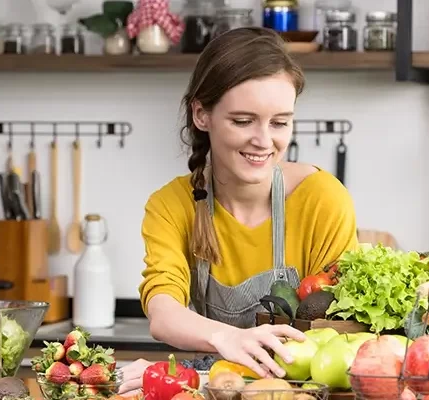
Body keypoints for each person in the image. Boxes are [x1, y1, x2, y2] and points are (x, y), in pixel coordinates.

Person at [117, 27, 359, 394]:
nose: (264, 141)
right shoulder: (171, 205)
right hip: (216, 386)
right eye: (243, 121)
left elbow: (341, 330)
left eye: (279, 122)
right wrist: (228, 340)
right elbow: (163, 312)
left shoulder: (322, 199)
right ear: (202, 114)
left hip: (301, 389)